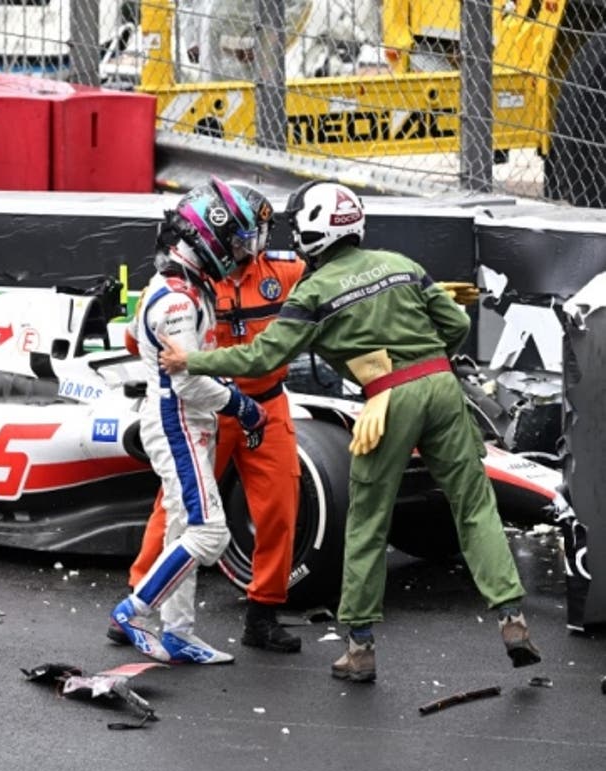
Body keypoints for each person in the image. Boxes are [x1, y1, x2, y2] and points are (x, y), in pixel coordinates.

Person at [157, 179, 542, 682]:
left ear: (311, 233)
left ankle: (360, 648)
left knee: (366, 523)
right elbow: (456, 325)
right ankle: (512, 616)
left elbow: (262, 357)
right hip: (443, 387)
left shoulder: (312, 290)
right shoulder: (402, 263)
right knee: (474, 506)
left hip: (386, 401)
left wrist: (192, 360)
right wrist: (420, 362)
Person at [114, 180, 306, 655]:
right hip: (207, 406)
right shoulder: (181, 287)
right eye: (242, 239)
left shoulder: (284, 270)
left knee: (280, 508)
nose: (250, 248)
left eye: (254, 238)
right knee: (179, 512)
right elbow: (140, 344)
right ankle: (140, 600)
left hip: (265, 402)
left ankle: (263, 612)